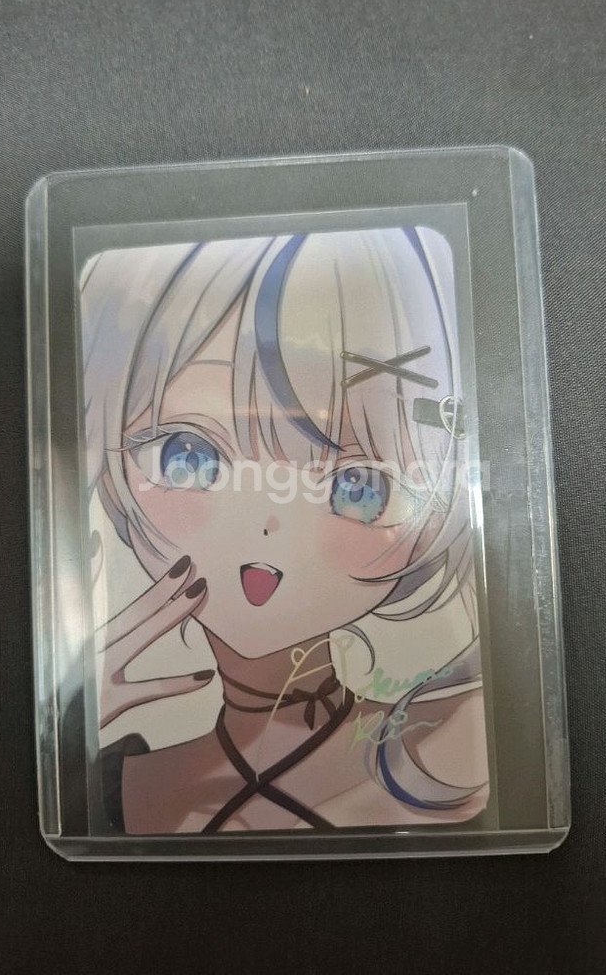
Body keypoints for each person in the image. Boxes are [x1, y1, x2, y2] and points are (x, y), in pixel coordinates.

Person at [83, 228, 488, 833]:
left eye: (356, 486)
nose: (267, 527)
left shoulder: (462, 736)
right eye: (188, 455)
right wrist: (64, 719)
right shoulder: (103, 787)